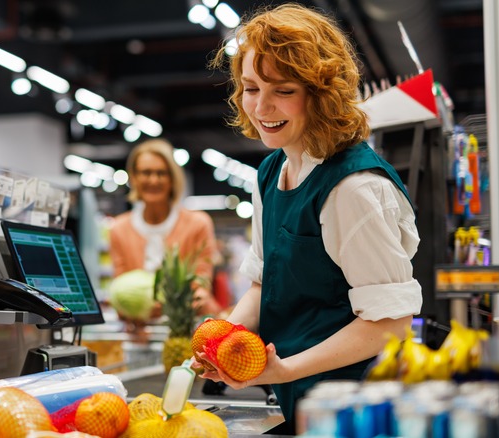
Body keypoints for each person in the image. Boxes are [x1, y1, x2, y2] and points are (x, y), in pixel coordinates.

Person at [195, 4, 422, 434]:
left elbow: (389, 324)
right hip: (300, 400)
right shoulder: (269, 173)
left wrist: (284, 369)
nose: (261, 106)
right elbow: (266, 284)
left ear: (321, 93)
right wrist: (222, 340)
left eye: (283, 90)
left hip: (358, 409)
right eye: (250, 87)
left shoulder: (353, 188)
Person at [109, 138, 221, 322]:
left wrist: (196, 297)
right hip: (142, 329)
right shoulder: (119, 229)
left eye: (161, 173)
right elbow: (121, 285)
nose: (154, 180)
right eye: (146, 173)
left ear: (172, 178)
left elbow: (202, 280)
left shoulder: (198, 224)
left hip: (192, 325)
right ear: (134, 177)